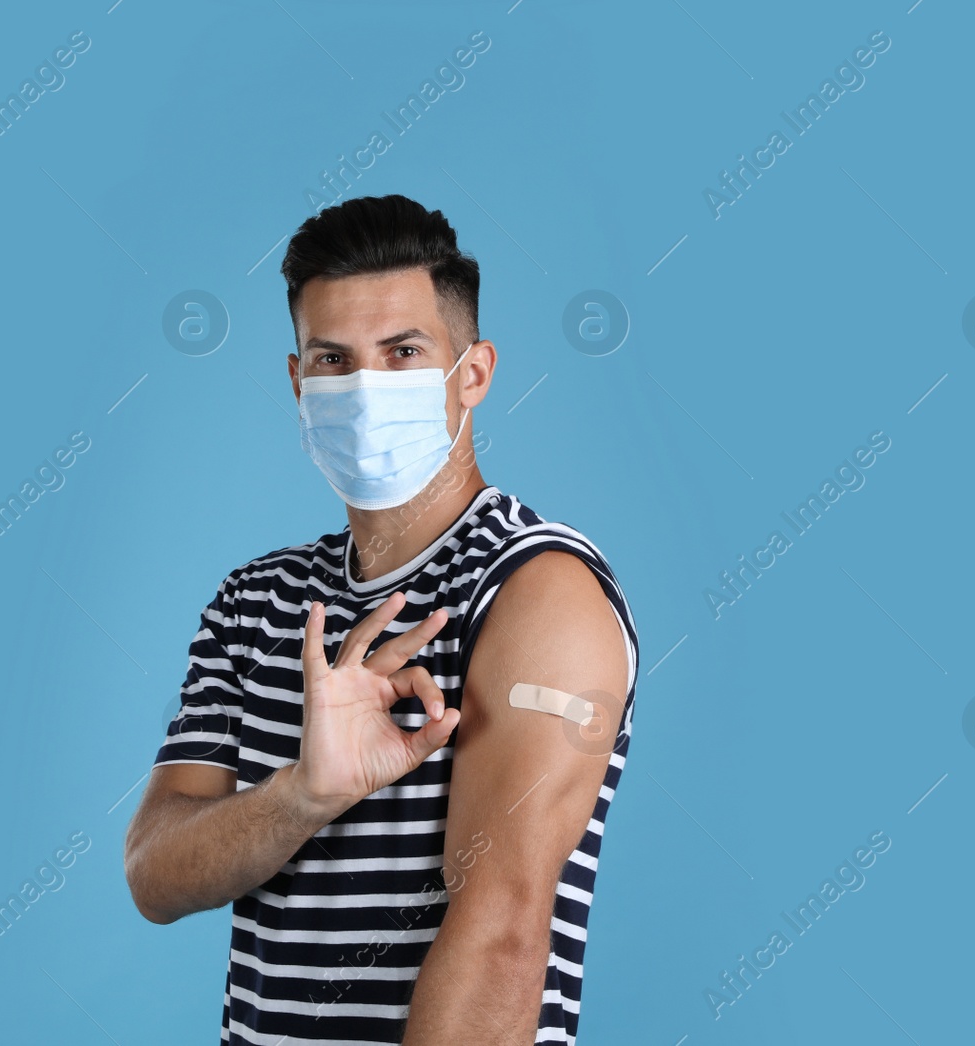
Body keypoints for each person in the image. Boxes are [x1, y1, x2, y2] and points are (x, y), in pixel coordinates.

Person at [124, 193, 640, 1045]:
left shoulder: (536, 589)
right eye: (332, 359)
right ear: (297, 381)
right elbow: (154, 875)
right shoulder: (256, 601)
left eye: (403, 352)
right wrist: (303, 794)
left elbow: (503, 930)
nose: (365, 389)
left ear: (472, 372)